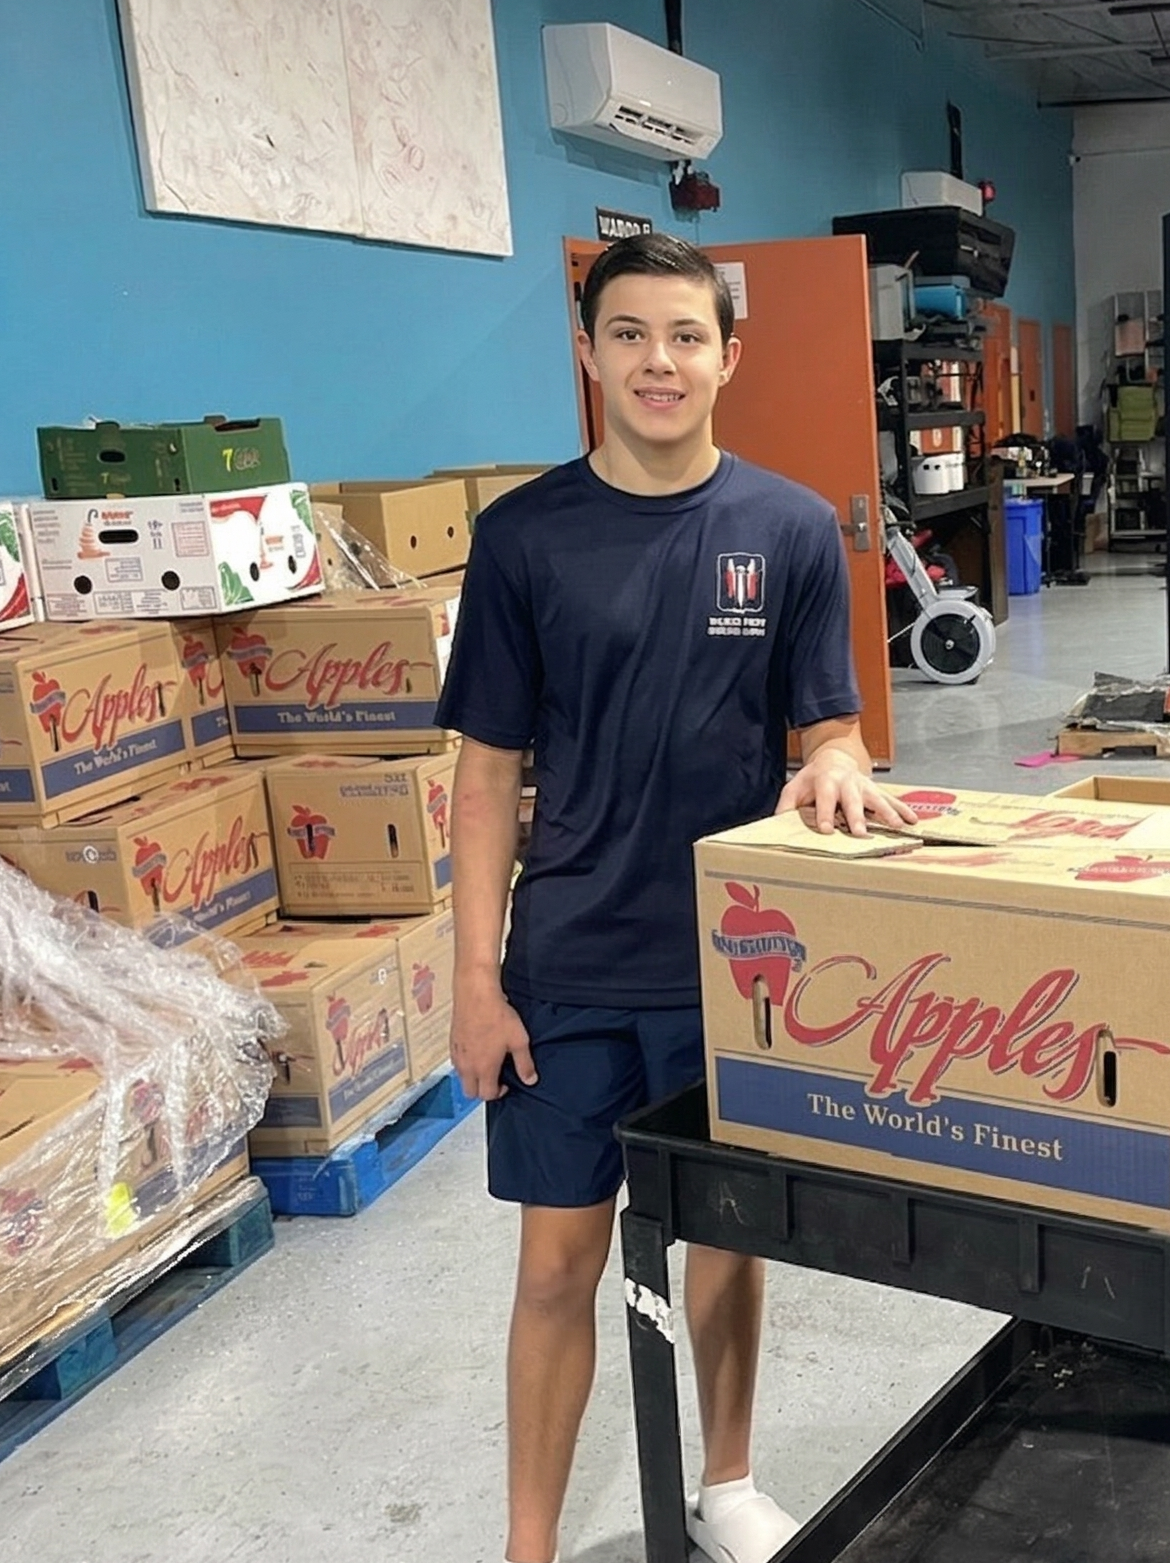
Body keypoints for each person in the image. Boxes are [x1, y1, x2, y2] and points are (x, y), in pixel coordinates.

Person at [436, 232, 911, 1563]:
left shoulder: (792, 527)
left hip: (737, 962)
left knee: (728, 1240)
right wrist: (474, 980)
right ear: (588, 354)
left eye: (687, 335)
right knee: (555, 1266)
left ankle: (730, 1480)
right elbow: (485, 777)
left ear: (728, 357)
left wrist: (831, 761)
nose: (660, 360)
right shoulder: (524, 538)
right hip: (572, 965)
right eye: (631, 334)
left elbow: (831, 730)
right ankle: (528, 1540)